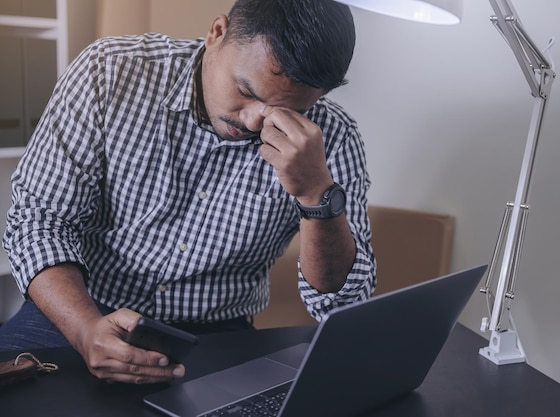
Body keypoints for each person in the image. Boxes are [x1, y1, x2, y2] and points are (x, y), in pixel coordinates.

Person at [0, 0, 375, 384]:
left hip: (214, 335)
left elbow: (342, 302)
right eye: (245, 90)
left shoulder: (335, 138)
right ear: (216, 33)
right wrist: (84, 328)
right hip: (80, 307)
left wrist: (316, 196)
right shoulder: (110, 70)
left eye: (286, 111)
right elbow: (39, 222)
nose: (251, 121)